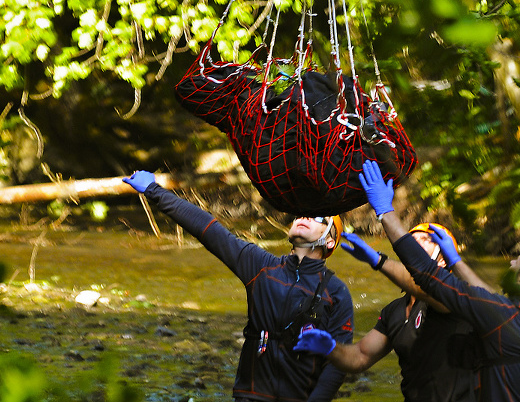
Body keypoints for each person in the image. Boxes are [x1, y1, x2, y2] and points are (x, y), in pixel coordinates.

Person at [356, 160, 520, 402]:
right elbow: (490, 301)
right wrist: (456, 261)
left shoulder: (501, 314)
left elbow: (427, 275)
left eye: (518, 262)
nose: (511, 264)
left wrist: (385, 214)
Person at [123, 170, 354, 402]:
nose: (305, 217)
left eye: (317, 217)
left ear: (330, 240)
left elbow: (338, 365)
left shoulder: (336, 293)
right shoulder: (260, 265)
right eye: (300, 214)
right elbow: (209, 229)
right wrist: (154, 191)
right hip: (251, 395)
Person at [295, 223, 478, 401]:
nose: (415, 243)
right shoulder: (394, 310)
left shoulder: (455, 294)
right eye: (412, 239)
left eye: (426, 239)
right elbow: (360, 356)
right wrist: (331, 349)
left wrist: (379, 261)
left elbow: (430, 290)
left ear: (443, 259)